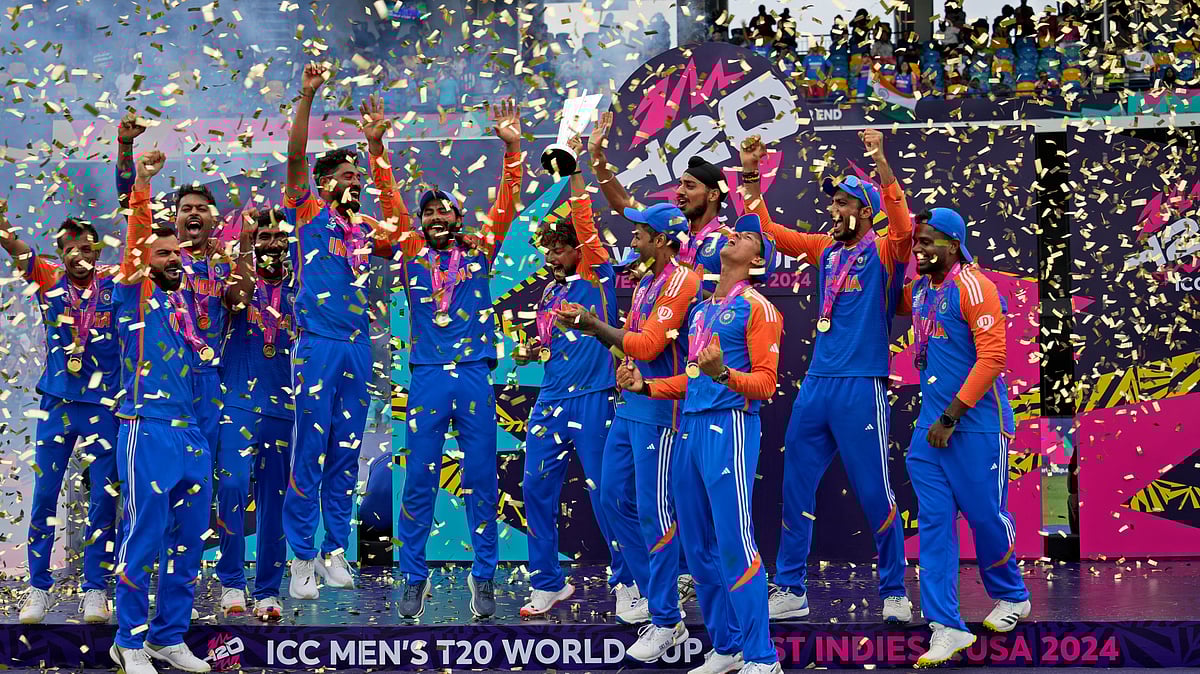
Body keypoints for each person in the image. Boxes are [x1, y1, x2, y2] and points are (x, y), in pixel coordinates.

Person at [738, 130, 914, 622]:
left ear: (863, 208)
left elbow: (900, 224)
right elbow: (768, 230)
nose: (833, 210)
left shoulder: (884, 251)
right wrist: (751, 172)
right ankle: (790, 587)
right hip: (817, 385)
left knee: (876, 489)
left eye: (841, 203)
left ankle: (895, 589)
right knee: (795, 486)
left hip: (862, 385)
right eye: (831, 202)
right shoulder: (825, 250)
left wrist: (880, 160)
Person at [363, 94, 524, 619]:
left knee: (482, 479)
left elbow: (508, 203)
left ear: (457, 217)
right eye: (427, 211)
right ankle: (412, 576)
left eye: (443, 211)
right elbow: (389, 202)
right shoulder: (410, 252)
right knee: (419, 482)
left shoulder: (479, 251)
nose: (434, 217)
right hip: (429, 379)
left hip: (475, 376)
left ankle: (483, 577)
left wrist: (513, 147)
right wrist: (375, 145)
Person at [615, 213, 783, 674]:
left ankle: (763, 658)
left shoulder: (759, 308)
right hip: (688, 427)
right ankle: (727, 648)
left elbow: (767, 384)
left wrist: (723, 375)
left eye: (747, 236)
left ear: (758, 260)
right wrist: (644, 387)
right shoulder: (702, 312)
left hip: (730, 427)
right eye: (734, 231)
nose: (734, 236)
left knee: (734, 542)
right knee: (698, 544)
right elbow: (690, 381)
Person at [555, 203, 699, 662]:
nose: (632, 241)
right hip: (629, 407)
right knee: (613, 498)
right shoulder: (643, 280)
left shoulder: (682, 282)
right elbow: (632, 341)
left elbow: (650, 344)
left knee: (655, 514)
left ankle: (666, 619)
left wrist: (595, 327)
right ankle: (655, 592)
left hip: (661, 412)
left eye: (639, 235)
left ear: (661, 239)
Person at [280, 69, 405, 600]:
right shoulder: (306, 212)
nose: (354, 185)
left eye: (358, 179)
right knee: (310, 449)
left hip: (356, 346)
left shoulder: (362, 230)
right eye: (346, 177)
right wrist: (307, 97)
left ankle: (334, 550)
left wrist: (377, 151)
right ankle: (301, 557)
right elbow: (295, 158)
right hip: (317, 345)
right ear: (324, 181)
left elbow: (400, 229)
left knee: (346, 452)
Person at [900, 209, 1031, 667]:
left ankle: (1013, 596)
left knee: (985, 517)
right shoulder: (920, 291)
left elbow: (993, 358)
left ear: (953, 245)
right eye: (917, 242)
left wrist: (951, 416)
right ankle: (946, 625)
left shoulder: (975, 286)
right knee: (934, 524)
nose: (920, 249)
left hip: (973, 425)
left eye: (929, 242)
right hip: (929, 431)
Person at [516, 136, 629, 617]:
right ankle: (548, 582)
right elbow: (550, 346)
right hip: (551, 401)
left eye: (560, 250)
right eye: (548, 251)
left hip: (596, 398)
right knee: (534, 490)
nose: (552, 257)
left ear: (576, 251)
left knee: (609, 496)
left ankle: (629, 581)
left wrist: (573, 173)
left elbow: (584, 220)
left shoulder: (596, 273)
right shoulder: (548, 294)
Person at [109, 150, 211, 674]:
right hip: (144, 429)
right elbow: (136, 245)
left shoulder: (183, 301)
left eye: (178, 254)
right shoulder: (134, 294)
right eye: (163, 253)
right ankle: (128, 639)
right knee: (144, 539)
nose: (174, 259)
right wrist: (144, 185)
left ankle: (168, 637)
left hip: (190, 431)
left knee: (188, 544)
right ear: (145, 260)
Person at [2, 206, 120, 625]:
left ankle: (94, 589)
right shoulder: (48, 279)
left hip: (105, 407)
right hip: (57, 404)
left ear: (97, 250)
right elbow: (12, 245)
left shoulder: (115, 282)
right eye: (71, 249)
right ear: (60, 253)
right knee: (46, 496)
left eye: (87, 247)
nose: (79, 255)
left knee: (104, 501)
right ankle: (38, 588)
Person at [114, 112, 253, 461]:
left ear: (213, 219)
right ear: (174, 218)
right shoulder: (160, 259)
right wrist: (126, 146)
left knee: (200, 468)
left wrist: (243, 255)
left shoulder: (223, 264)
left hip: (208, 376)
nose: (194, 213)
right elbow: (128, 203)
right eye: (186, 208)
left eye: (201, 209)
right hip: (166, 374)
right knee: (162, 467)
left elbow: (239, 302)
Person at [213, 207, 295, 620]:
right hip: (238, 400)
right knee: (232, 489)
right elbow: (235, 300)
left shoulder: (302, 288)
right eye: (263, 237)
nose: (272, 244)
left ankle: (267, 591)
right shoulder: (235, 282)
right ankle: (230, 582)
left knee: (273, 501)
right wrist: (243, 248)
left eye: (279, 236)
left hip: (284, 406)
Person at [589, 111, 729, 295]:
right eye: (680, 184)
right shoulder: (665, 223)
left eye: (690, 186)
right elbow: (622, 202)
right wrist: (598, 158)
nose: (679, 191)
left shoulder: (728, 242)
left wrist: (671, 280)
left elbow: (728, 304)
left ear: (713, 195)